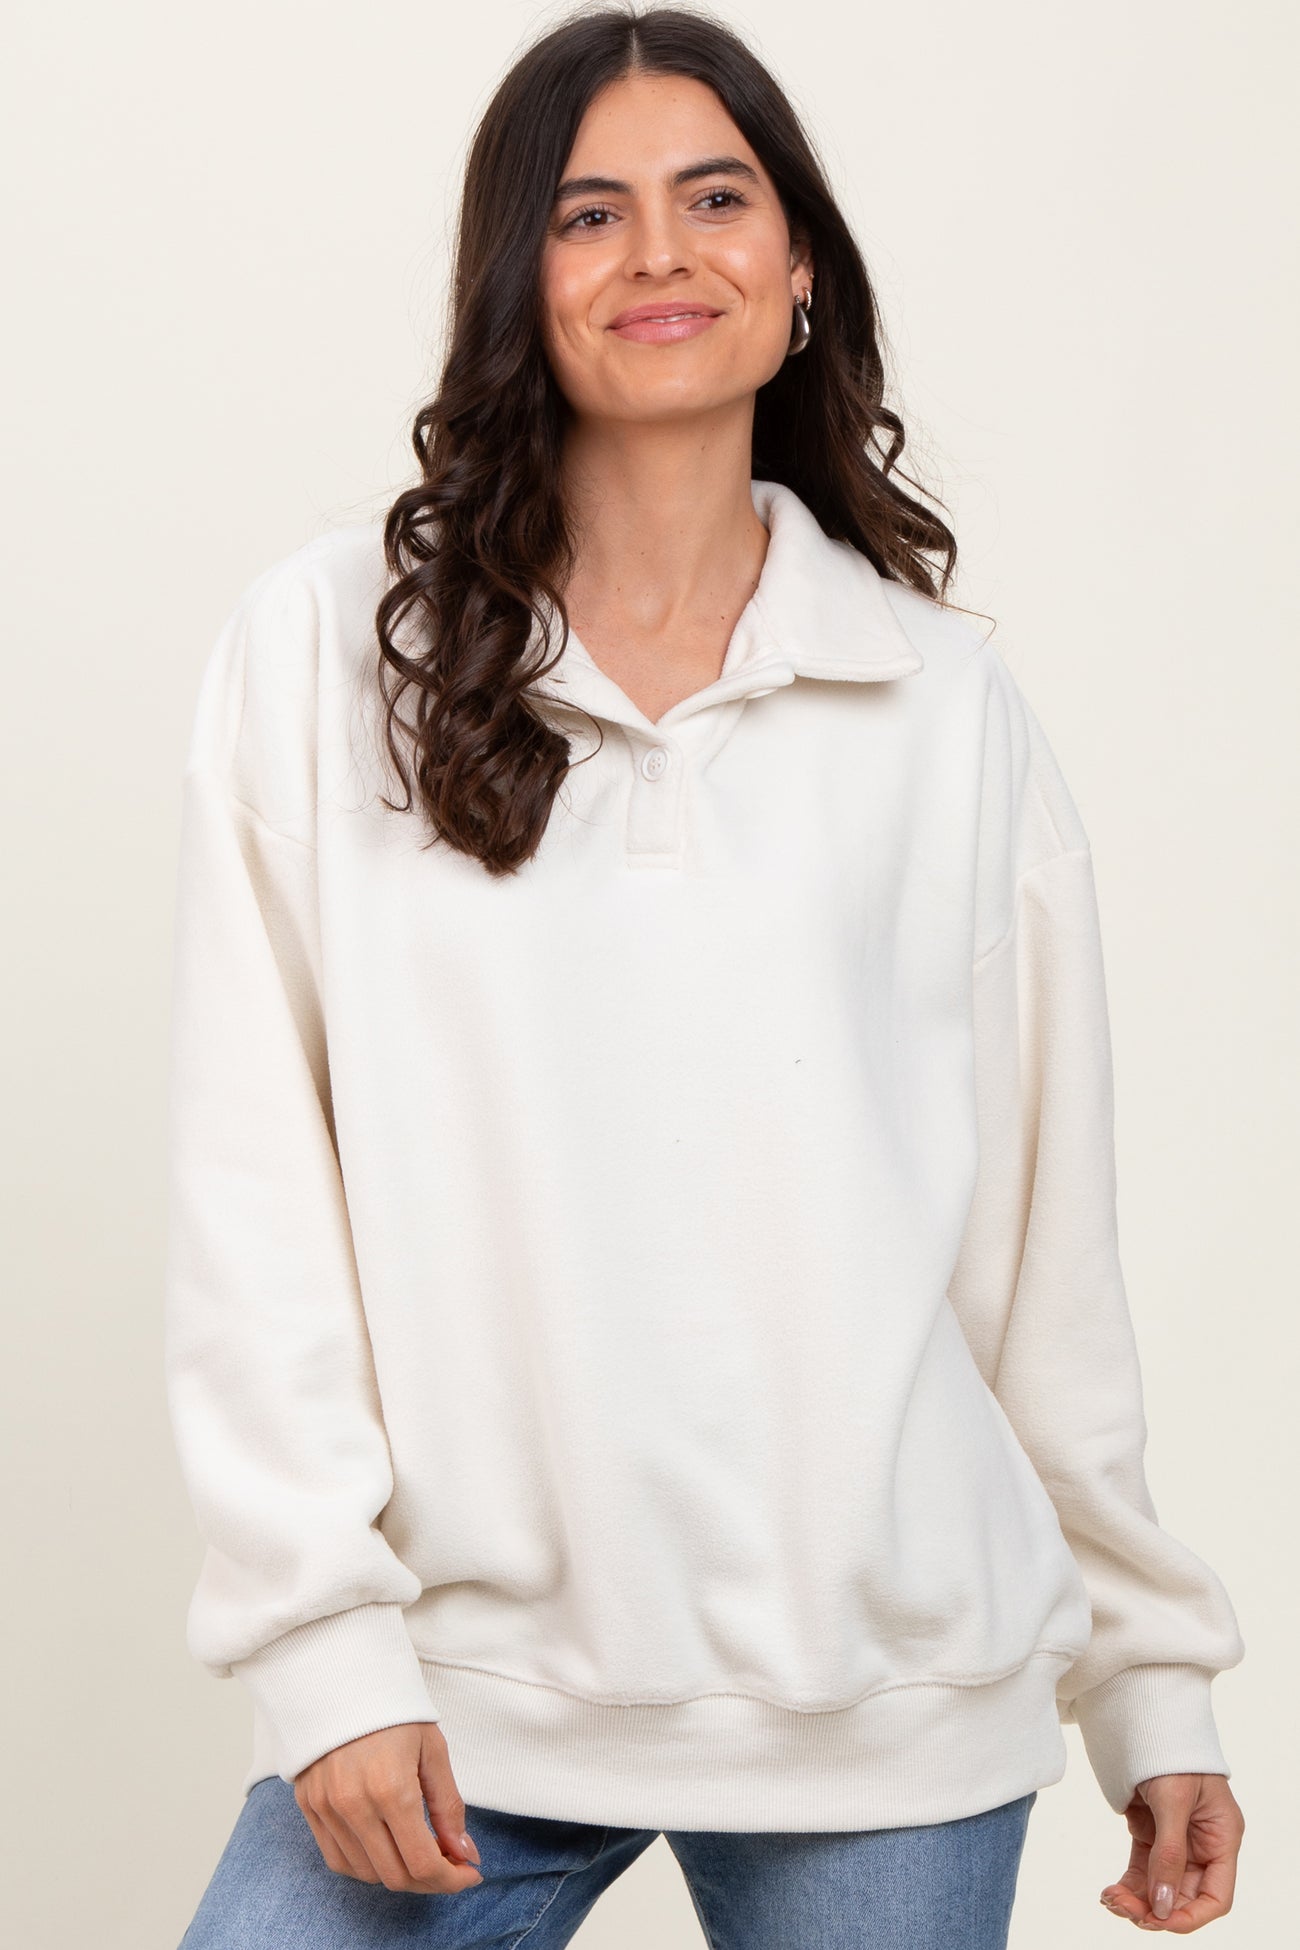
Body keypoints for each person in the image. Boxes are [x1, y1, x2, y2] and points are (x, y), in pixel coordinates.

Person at [164, 7, 1246, 1945]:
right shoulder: (329, 653)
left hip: (895, 1704)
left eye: (715, 198)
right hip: (459, 1693)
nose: (658, 253)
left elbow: (1039, 1249)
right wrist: (323, 1642)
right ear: (516, 282)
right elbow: (254, 1191)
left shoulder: (941, 703)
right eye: (588, 214)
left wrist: (1149, 1675)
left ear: (799, 262)